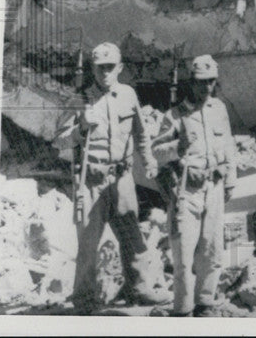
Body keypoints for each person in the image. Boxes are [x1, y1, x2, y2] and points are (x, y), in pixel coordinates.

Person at [54, 42, 163, 312]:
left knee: (132, 237)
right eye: (99, 67)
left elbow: (140, 133)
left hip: (122, 179)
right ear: (92, 68)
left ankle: (138, 289)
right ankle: (85, 299)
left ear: (120, 68)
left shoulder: (128, 95)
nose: (104, 72)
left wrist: (148, 160)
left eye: (110, 67)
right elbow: (59, 141)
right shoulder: (80, 99)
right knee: (89, 243)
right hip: (92, 181)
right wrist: (81, 128)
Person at [152, 55, 237, 317]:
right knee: (184, 255)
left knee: (212, 250)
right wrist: (178, 147)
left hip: (213, 187)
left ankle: (205, 303)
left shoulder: (219, 109)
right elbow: (155, 152)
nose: (206, 88)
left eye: (211, 82)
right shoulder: (175, 115)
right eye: (201, 82)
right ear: (191, 82)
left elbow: (229, 145)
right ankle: (183, 310)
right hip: (186, 191)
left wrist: (231, 179)